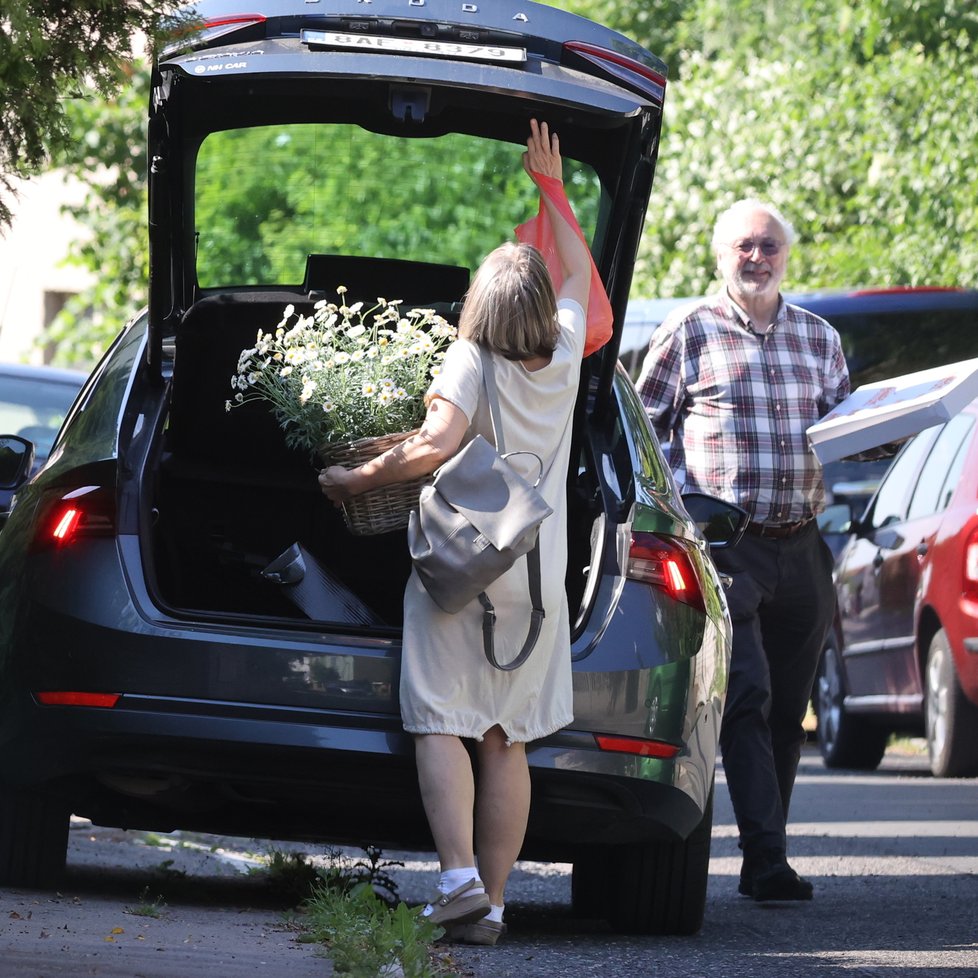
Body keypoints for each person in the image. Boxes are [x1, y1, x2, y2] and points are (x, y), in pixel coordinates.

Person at [319, 119, 592, 943]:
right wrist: (553, 186)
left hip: (461, 564)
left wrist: (353, 479)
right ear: (540, 308)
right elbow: (579, 268)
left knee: (441, 716)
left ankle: (460, 878)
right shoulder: (569, 349)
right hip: (537, 570)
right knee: (505, 736)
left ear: (478, 304)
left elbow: (432, 446)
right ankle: (496, 906)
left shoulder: (470, 357)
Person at [636, 198, 850, 903]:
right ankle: (767, 860)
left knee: (790, 708)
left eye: (768, 246)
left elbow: (845, 432)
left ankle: (768, 851)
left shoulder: (819, 339)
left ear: (786, 254)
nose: (756, 258)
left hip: (802, 544)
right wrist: (680, 515)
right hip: (727, 547)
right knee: (748, 697)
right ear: (719, 254)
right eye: (743, 247)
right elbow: (647, 428)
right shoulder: (687, 332)